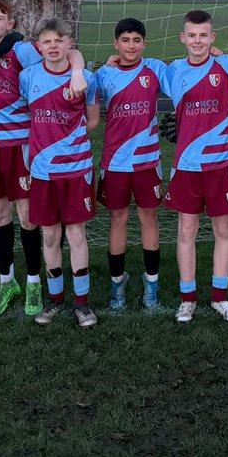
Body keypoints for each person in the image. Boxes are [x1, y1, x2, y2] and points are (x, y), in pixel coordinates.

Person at [0, 0, 87, 316]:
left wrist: (76, 72)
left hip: (20, 144)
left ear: (11, 23)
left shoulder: (21, 50)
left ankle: (34, 282)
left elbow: (62, 50)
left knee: (28, 216)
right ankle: (8, 282)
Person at [160, 10, 228, 323]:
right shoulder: (172, 70)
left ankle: (219, 297)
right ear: (182, 38)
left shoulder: (226, 64)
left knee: (222, 230)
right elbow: (134, 67)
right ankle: (188, 298)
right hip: (186, 164)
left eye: (204, 35)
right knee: (186, 230)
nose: (198, 41)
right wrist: (109, 62)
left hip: (222, 162)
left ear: (212, 38)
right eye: (192, 35)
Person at [18, 19, 101, 327]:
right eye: (46, 41)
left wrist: (67, 140)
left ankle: (82, 303)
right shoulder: (27, 77)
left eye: (59, 40)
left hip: (76, 170)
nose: (52, 46)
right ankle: (54, 300)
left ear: (70, 43)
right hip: (41, 172)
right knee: (50, 234)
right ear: (38, 46)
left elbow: (92, 121)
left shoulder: (85, 78)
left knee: (76, 234)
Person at [92, 18, 166, 310]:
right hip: (115, 162)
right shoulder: (104, 74)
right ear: (116, 44)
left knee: (149, 219)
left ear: (144, 44)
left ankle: (152, 282)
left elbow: (189, 70)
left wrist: (217, 56)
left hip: (148, 162)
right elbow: (77, 93)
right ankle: (117, 282)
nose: (131, 46)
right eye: (125, 40)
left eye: (136, 40)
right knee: (118, 220)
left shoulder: (156, 70)